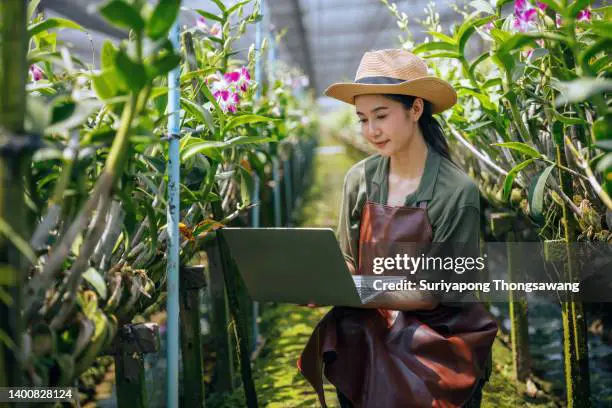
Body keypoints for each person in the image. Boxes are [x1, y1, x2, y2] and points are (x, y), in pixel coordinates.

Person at [297, 49, 498, 407]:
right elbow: (347, 259)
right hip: (371, 330)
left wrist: (347, 289)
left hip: (439, 340)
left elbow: (430, 293)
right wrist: (320, 281)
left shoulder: (456, 192)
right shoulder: (358, 179)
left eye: (381, 116)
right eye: (362, 119)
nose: (371, 130)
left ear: (416, 109)